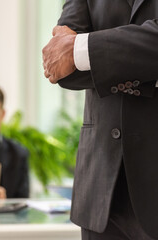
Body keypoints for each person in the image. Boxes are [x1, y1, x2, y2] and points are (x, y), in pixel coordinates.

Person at [42, 0, 158, 239]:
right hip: (101, 188)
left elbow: (70, 53)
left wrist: (81, 50)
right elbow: (61, 67)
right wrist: (146, 68)